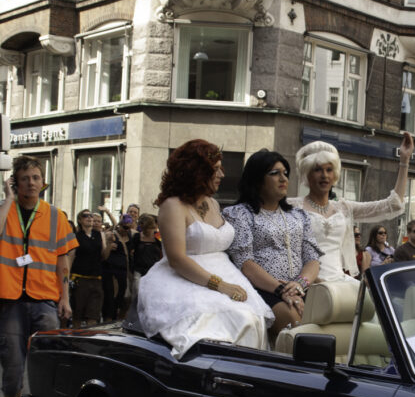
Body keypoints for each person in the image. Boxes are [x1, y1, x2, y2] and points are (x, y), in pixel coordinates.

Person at [137, 140, 272, 358]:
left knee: (252, 320)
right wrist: (221, 286)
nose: (222, 174)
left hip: (227, 276)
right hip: (185, 280)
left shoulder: (213, 204)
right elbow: (177, 259)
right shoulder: (172, 205)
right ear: (196, 172)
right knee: (228, 327)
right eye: (216, 169)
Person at [0, 155, 77, 397]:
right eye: (24, 179)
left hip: (46, 301)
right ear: (15, 183)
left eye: (35, 178)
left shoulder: (56, 215)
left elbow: (63, 259)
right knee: (13, 370)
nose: (31, 183)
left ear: (42, 181)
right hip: (11, 303)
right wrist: (7, 199)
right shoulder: (6, 212)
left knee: (49, 371)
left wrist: (65, 297)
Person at [290, 133, 413, 283]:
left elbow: (392, 205)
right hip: (306, 282)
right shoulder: (292, 207)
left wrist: (404, 161)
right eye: (317, 170)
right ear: (306, 174)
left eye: (329, 170)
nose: (324, 175)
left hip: (339, 280)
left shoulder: (344, 208)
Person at [224, 149, 321, 340]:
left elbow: (313, 259)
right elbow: (245, 263)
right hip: (263, 289)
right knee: (294, 323)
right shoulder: (239, 214)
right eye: (274, 173)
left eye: (285, 173)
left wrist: (299, 286)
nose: (283, 178)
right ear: (257, 179)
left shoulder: (299, 215)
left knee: (340, 314)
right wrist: (281, 290)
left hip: (301, 287)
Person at [71, 209, 110, 327]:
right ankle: (75, 341)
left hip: (96, 279)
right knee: (77, 314)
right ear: (80, 220)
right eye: (86, 216)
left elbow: (104, 256)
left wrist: (108, 244)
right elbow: (71, 257)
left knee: (93, 315)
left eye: (91, 216)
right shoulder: (76, 236)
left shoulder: (99, 235)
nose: (89, 218)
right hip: (80, 279)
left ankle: (88, 342)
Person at [129, 213, 163, 295]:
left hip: (152, 271)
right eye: (144, 229)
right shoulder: (137, 237)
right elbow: (131, 252)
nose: (147, 231)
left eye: (149, 228)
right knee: (137, 291)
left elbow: (162, 254)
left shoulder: (158, 239)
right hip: (138, 270)